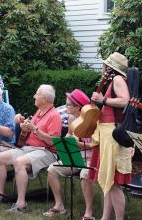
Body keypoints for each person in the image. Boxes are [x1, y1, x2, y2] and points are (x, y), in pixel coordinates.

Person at [0, 84, 62, 212]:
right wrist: (22, 123)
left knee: (20, 162)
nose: (34, 96)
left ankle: (21, 203)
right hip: (30, 148)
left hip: (47, 151)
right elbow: (30, 129)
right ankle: (0, 195)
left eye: (36, 94)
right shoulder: (39, 112)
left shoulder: (54, 116)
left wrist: (35, 129)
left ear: (44, 99)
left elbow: (52, 142)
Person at [89, 52, 132, 220]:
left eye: (105, 65)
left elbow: (125, 100)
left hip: (112, 135)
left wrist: (103, 100)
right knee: (107, 180)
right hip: (107, 134)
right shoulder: (115, 80)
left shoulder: (118, 80)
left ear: (111, 67)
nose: (103, 67)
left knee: (112, 182)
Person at [43, 89, 94, 218]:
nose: (65, 107)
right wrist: (65, 140)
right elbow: (69, 134)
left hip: (92, 157)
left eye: (68, 105)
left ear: (78, 107)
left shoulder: (93, 121)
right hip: (76, 155)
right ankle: (59, 205)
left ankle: (88, 212)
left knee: (85, 174)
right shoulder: (72, 118)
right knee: (52, 169)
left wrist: (80, 144)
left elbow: (96, 145)